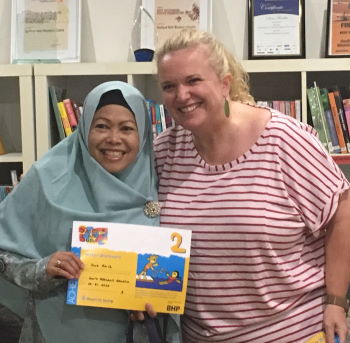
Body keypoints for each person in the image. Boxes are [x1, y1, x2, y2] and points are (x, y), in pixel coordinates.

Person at [153, 29, 350, 343]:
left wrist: (336, 301)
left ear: (224, 83)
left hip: (294, 332)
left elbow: (342, 213)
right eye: (169, 86)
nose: (181, 95)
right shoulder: (164, 151)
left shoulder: (285, 139)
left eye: (193, 80)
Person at [0, 81, 180, 342]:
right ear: (84, 128)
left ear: (142, 134)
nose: (113, 139)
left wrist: (155, 301)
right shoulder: (46, 179)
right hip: (54, 330)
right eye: (102, 126)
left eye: (127, 128)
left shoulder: (163, 183)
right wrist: (41, 270)